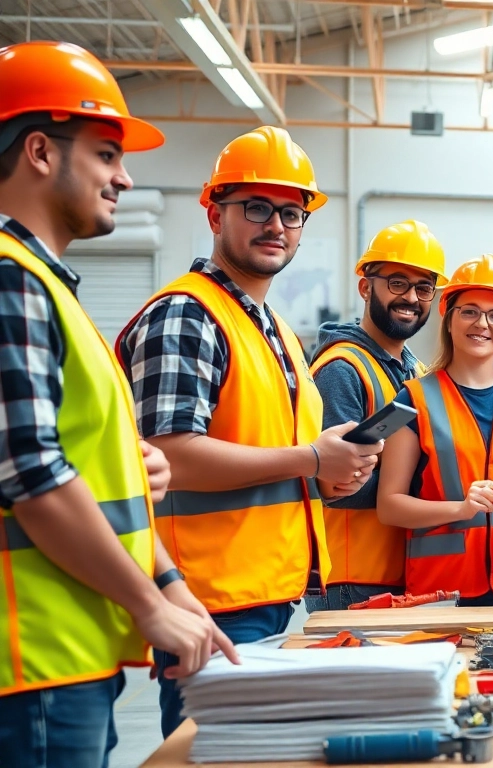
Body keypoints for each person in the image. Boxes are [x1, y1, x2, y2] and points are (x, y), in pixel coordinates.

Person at [0, 41, 237, 765]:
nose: (125, 177)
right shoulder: (12, 282)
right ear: (40, 151)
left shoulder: (44, 285)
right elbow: (33, 478)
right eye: (107, 153)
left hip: (70, 655)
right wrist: (150, 605)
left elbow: (76, 463)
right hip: (33, 657)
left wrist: (170, 581)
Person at [118, 126, 382, 737]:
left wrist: (330, 473)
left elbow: (273, 456)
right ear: (214, 212)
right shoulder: (187, 313)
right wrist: (312, 460)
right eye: (256, 208)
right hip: (207, 600)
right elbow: (170, 456)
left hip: (263, 592)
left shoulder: (274, 329)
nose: (277, 226)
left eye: (292, 213)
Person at [378, 254, 493, 615]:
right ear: (449, 319)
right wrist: (461, 508)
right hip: (439, 594)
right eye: (470, 311)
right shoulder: (413, 399)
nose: (483, 324)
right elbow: (389, 505)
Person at [306, 220, 446, 611]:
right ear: (366, 286)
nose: (412, 298)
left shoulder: (416, 373)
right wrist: (433, 491)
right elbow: (335, 484)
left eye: (423, 287)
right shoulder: (342, 368)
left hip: (405, 571)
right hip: (352, 581)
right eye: (397, 283)